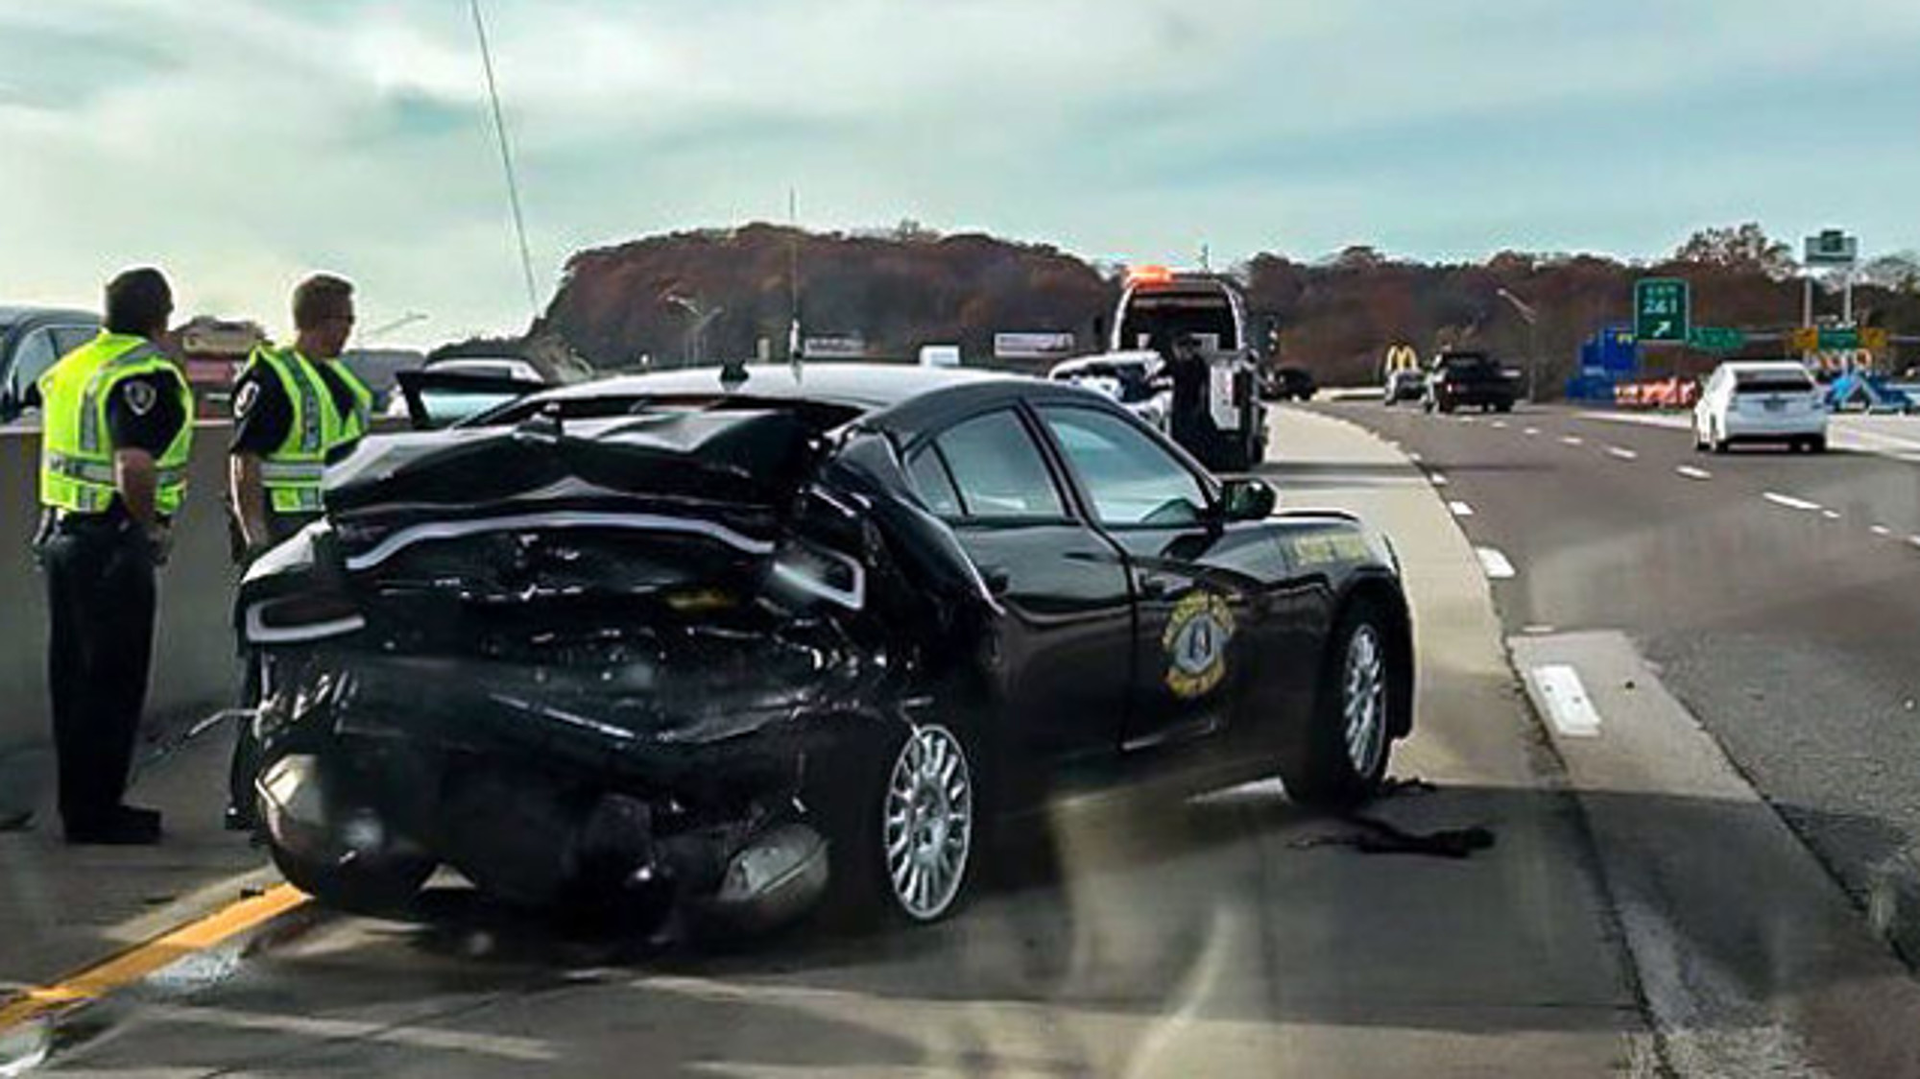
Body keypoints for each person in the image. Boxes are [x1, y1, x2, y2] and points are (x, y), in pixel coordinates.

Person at [33, 267, 193, 845]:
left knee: (73, 680)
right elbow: (135, 464)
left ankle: (81, 806)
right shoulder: (144, 373)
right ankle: (100, 813)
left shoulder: (69, 369)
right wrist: (148, 530)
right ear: (161, 318)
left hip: (62, 536)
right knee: (113, 683)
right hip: (110, 541)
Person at [223, 274, 374, 829]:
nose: (349, 332)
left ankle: (307, 793)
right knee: (269, 674)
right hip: (284, 533)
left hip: (328, 534)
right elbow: (244, 462)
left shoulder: (342, 385)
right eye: (344, 320)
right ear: (320, 319)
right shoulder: (272, 376)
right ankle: (247, 797)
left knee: (321, 671)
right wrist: (258, 540)